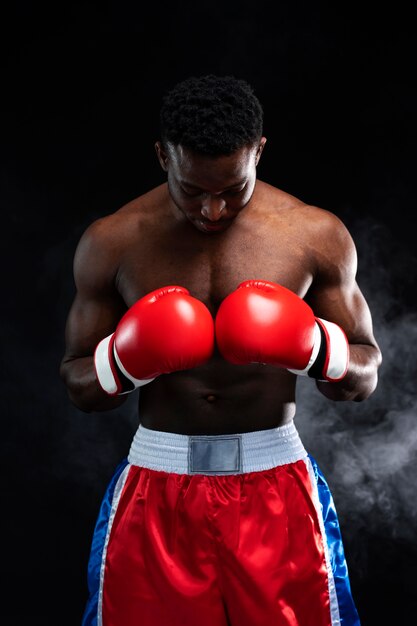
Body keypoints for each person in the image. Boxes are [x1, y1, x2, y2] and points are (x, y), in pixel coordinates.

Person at [60, 74, 382, 626]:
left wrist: (312, 348)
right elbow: (79, 386)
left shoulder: (313, 235)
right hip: (154, 490)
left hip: (276, 486)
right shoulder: (114, 241)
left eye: (233, 190)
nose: (213, 211)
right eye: (194, 191)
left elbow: (364, 372)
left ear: (259, 151)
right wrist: (123, 362)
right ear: (164, 157)